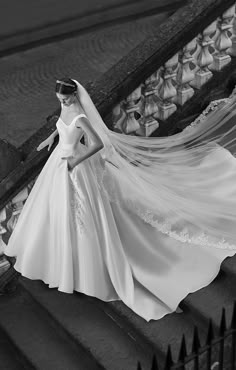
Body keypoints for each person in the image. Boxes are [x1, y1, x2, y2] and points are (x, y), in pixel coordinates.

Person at [4, 77, 236, 322]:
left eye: (64, 99)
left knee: (84, 212)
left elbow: (96, 144)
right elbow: (63, 123)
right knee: (60, 211)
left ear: (73, 96)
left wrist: (74, 161)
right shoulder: (67, 108)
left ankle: (88, 267)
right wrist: (53, 138)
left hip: (75, 164)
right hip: (60, 163)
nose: (61, 102)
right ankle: (64, 261)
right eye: (59, 99)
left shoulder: (81, 118)